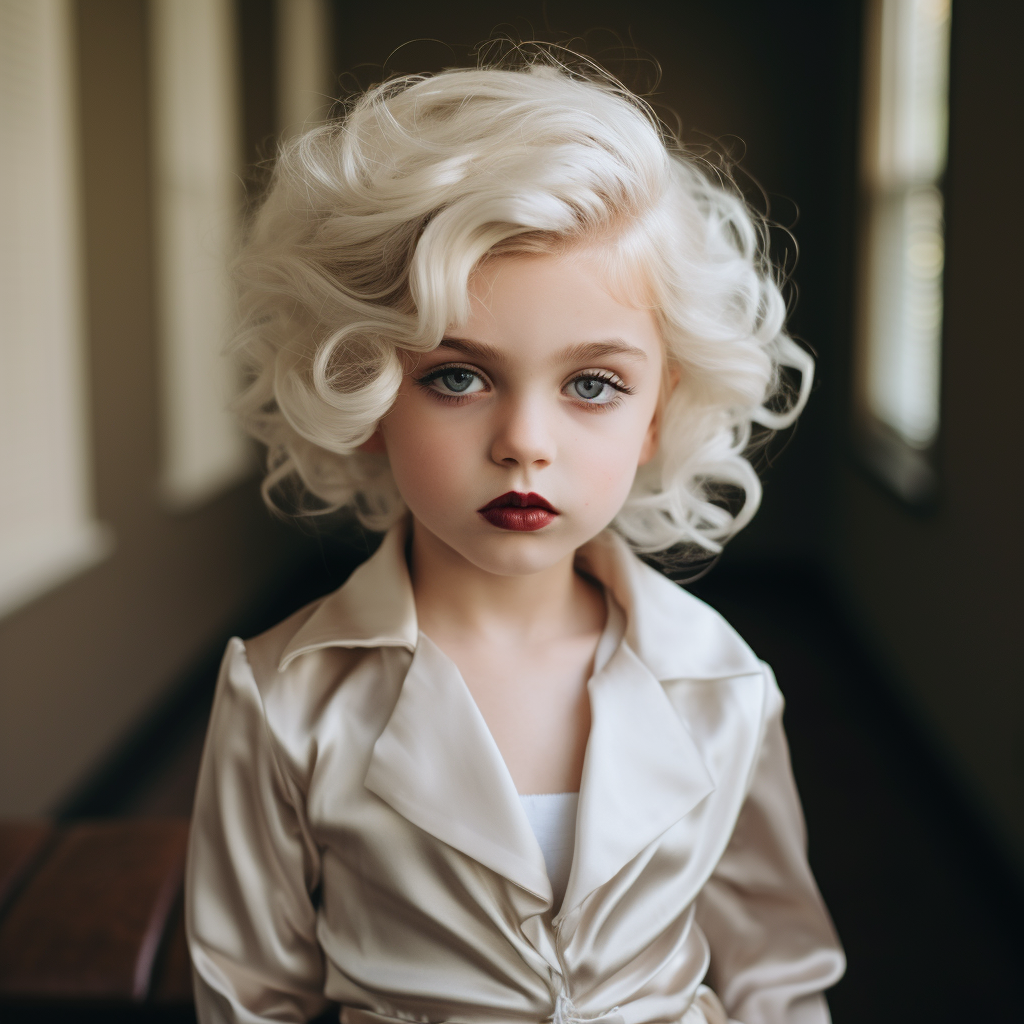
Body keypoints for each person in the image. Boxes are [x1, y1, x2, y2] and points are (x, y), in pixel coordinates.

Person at [185, 51, 845, 1024]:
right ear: (365, 390)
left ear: (659, 411)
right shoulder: (286, 694)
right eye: (458, 376)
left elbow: (779, 975)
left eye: (592, 385)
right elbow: (249, 997)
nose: (524, 444)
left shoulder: (719, 680)